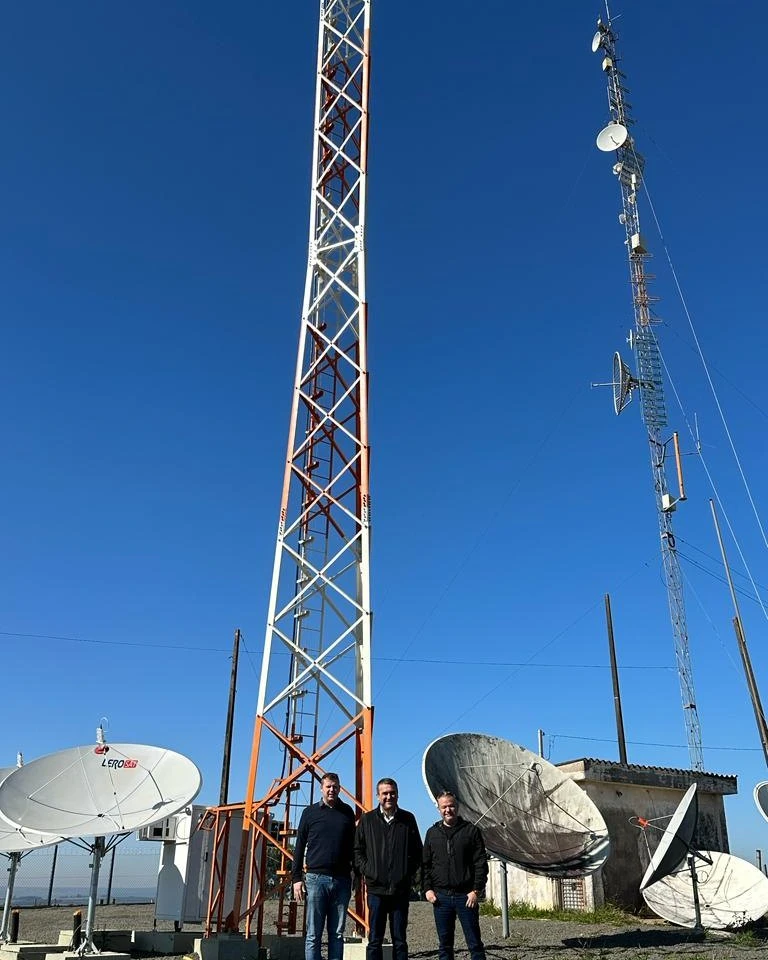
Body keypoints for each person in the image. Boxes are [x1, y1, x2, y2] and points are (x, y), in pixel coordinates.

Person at [354, 778, 423, 960]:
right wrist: (369, 870)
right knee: (375, 940)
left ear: (397, 795)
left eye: (392, 793)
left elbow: (417, 851)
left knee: (400, 940)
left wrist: (407, 874)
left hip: (400, 891)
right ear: (378, 796)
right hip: (376, 890)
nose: (389, 797)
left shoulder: (408, 819)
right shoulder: (367, 820)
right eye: (384, 793)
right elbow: (357, 850)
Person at [292, 772, 356, 960]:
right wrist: (296, 878)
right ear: (321, 788)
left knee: (337, 934)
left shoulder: (347, 812)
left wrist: (355, 873)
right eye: (328, 786)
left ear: (339, 788)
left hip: (342, 880)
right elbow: (299, 845)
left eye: (335, 787)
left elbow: (354, 845)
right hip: (315, 879)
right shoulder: (309, 813)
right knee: (313, 934)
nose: (331, 790)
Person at [422, 791, 488, 960]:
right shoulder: (432, 833)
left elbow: (480, 863)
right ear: (438, 809)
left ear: (457, 807)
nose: (448, 810)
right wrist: (428, 889)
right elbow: (426, 865)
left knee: (475, 944)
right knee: (445, 945)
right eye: (444, 807)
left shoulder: (471, 831)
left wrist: (476, 890)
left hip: (466, 896)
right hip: (441, 898)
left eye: (451, 806)